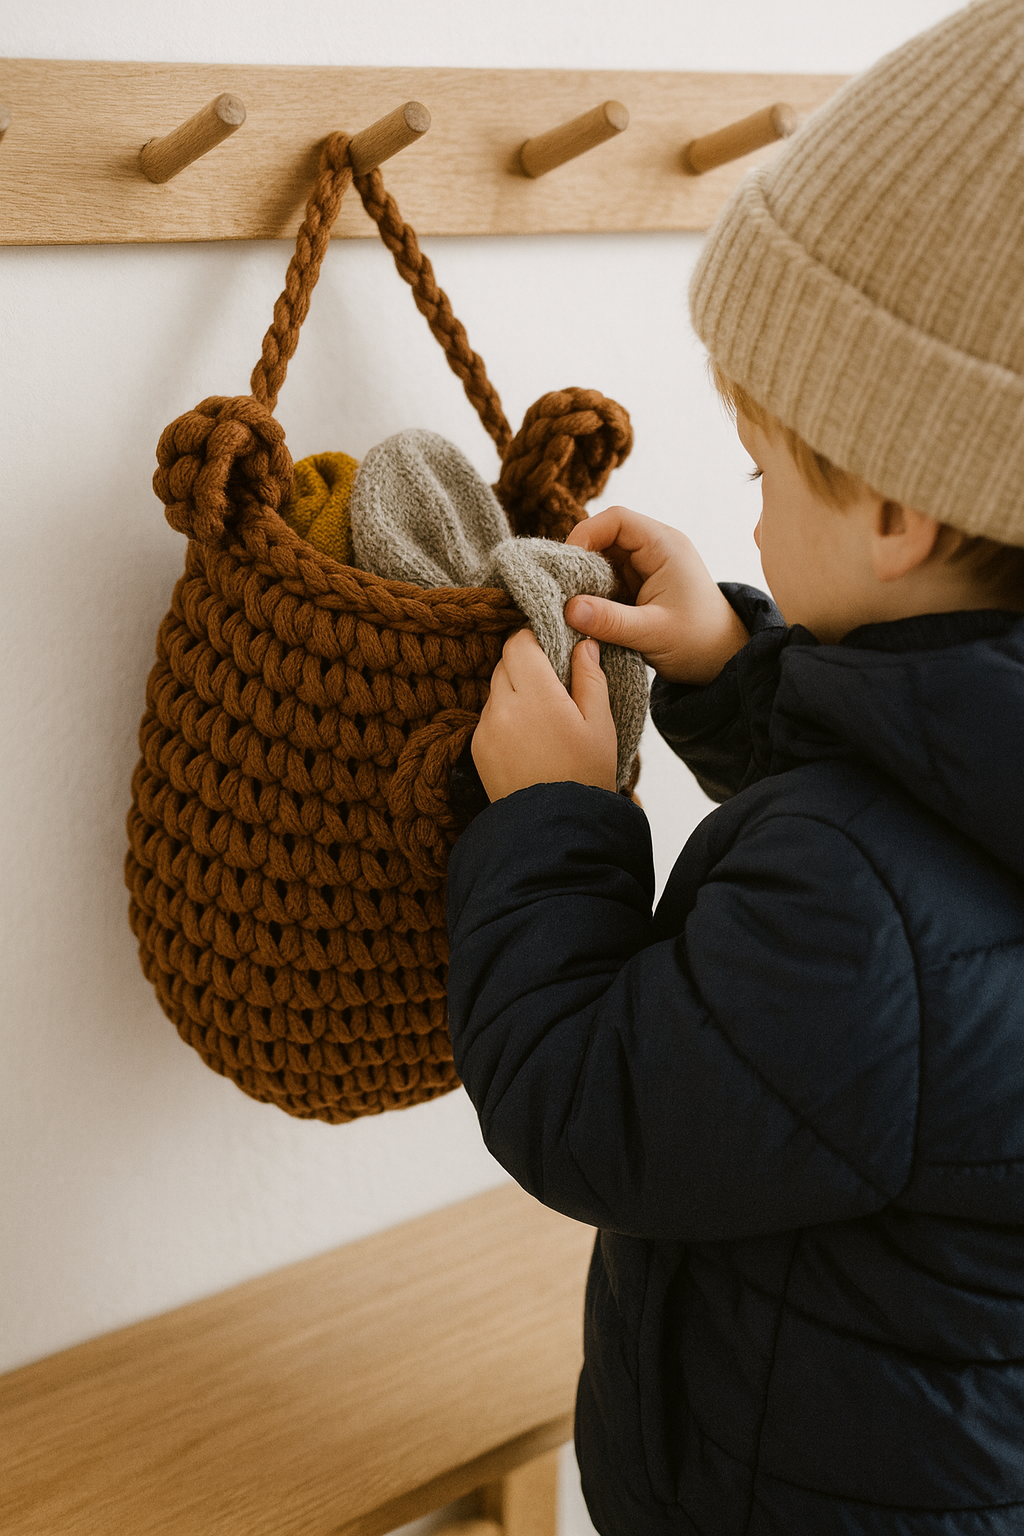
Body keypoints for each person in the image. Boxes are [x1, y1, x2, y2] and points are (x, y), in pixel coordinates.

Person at [444, 2, 1024, 1532]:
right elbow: (936, 806)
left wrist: (560, 823)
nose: (750, 513)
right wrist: (733, 662)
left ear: (900, 507)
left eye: (769, 473)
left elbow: (591, 1103)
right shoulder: (953, 806)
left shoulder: (846, 888)